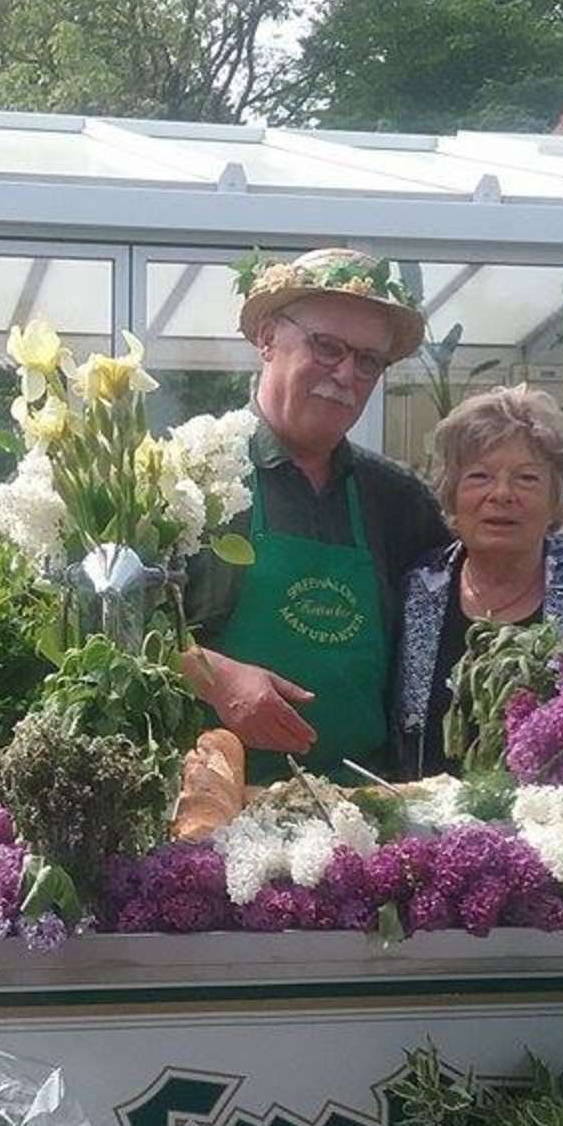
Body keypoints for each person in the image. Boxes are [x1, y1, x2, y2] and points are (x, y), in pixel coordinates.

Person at [180, 248, 447, 783]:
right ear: (267, 340)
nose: (347, 373)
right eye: (326, 347)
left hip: (366, 805)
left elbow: (473, 576)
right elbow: (111, 627)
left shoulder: (396, 499)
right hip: (210, 812)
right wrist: (214, 677)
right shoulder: (189, 476)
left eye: (369, 360)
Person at [391, 384, 563, 778]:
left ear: (555, 498)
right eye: (480, 476)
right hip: (423, 825)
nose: (501, 494)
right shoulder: (417, 586)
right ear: (452, 494)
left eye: (526, 479)